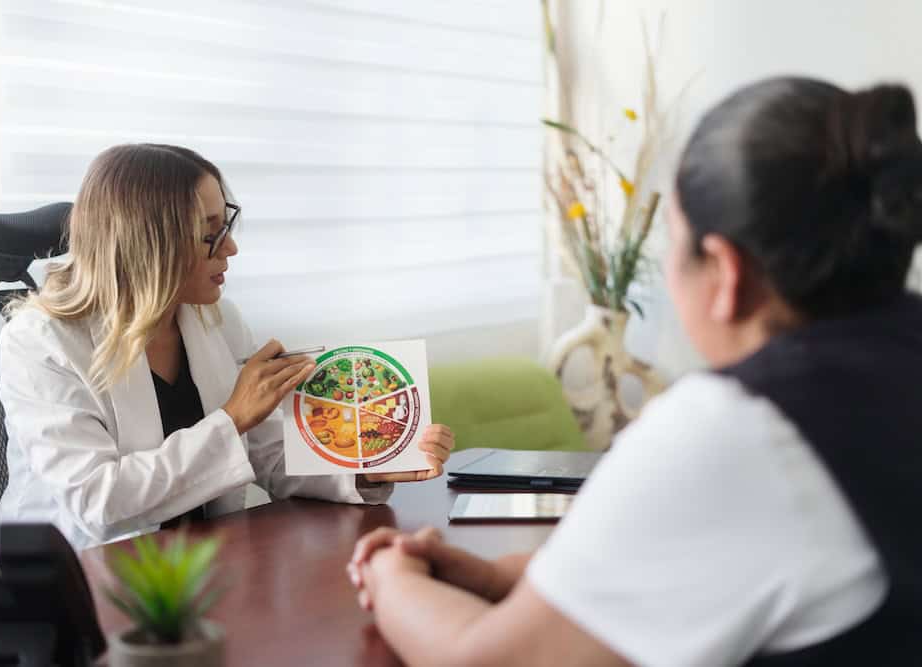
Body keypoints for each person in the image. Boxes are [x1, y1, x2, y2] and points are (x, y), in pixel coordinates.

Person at [347, 77, 922, 666]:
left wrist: (391, 575)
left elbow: (485, 661)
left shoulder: (737, 427)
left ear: (725, 271)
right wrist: (496, 579)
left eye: (673, 241)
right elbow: (735, 561)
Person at [0, 143, 454, 558]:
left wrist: (368, 467)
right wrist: (232, 418)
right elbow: (97, 503)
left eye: (224, 223)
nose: (229, 247)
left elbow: (267, 455)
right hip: (72, 582)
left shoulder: (217, 319)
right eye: (209, 232)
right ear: (152, 243)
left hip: (199, 564)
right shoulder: (40, 342)